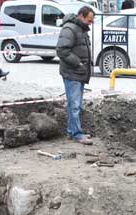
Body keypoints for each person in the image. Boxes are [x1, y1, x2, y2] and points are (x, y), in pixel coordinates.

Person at [56, 6, 95, 145]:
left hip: (79, 73)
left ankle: (72, 131)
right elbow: (61, 50)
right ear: (81, 16)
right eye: (89, 20)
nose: (91, 23)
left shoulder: (80, 29)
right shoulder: (70, 29)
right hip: (72, 72)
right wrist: (78, 63)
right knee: (74, 105)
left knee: (75, 104)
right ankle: (77, 134)